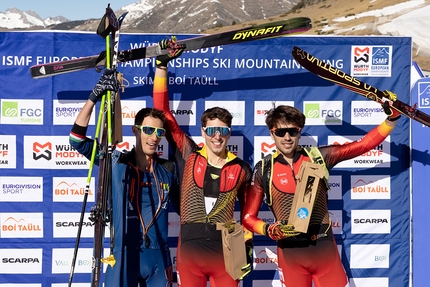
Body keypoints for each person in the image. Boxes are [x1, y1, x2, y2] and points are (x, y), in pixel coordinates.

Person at [242, 101, 401, 287]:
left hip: (324, 249)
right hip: (290, 253)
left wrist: (391, 119)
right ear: (272, 133)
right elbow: (247, 217)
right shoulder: (263, 169)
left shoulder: (319, 157)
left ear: (299, 132)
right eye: (280, 132)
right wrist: (268, 229)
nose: (287, 137)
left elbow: (364, 145)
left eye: (292, 131)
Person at [152, 38, 253, 287]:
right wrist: (162, 66)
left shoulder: (242, 168)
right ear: (202, 131)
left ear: (229, 133)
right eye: (211, 130)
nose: (217, 136)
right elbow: (163, 113)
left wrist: (247, 246)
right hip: (191, 249)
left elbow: (249, 215)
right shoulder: (189, 153)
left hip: (227, 250)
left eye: (223, 130)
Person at [69, 70, 179, 287]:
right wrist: (94, 96)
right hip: (121, 253)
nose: (154, 137)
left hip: (159, 256)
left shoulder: (167, 169)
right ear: (135, 130)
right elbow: (77, 139)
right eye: (148, 130)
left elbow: (187, 210)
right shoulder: (116, 163)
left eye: (159, 132)